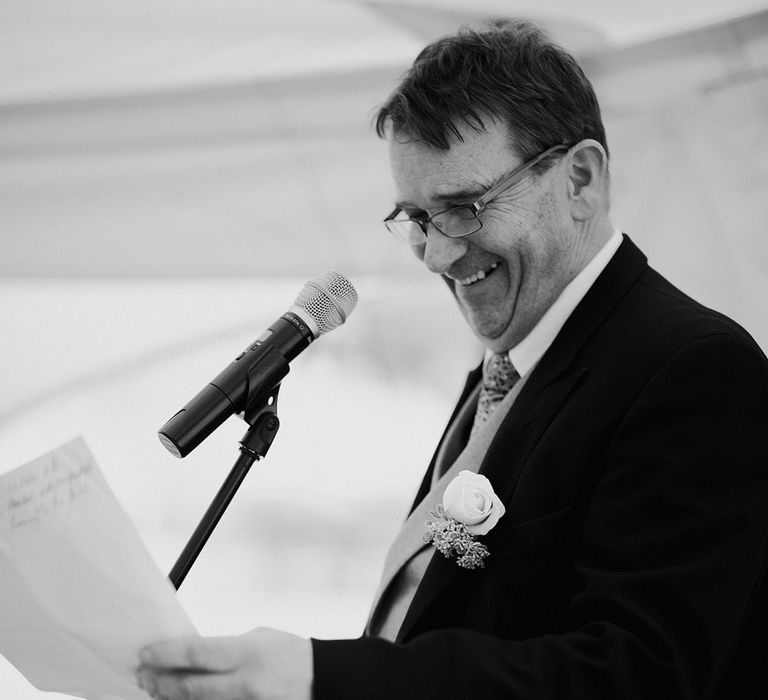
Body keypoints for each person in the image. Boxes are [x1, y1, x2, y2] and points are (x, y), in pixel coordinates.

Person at [135, 20, 768, 699]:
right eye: (415, 218)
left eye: (463, 208)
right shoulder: (507, 368)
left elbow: (637, 674)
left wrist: (322, 677)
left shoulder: (693, 367)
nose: (437, 255)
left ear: (581, 179)